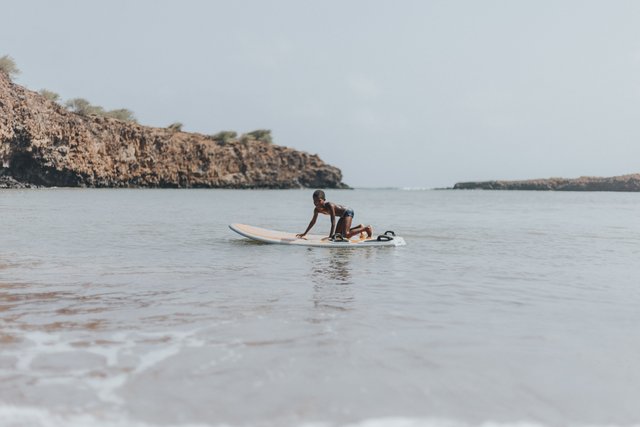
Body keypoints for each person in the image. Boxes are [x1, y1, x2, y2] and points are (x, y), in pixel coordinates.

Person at [296, 190, 373, 240]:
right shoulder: (316, 210)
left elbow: (333, 222)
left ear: (324, 200)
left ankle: (366, 228)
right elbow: (312, 222)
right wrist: (304, 233)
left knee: (345, 235)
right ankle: (359, 227)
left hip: (347, 212)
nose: (316, 203)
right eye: (314, 201)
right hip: (342, 216)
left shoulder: (330, 205)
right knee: (338, 235)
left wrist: (330, 236)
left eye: (319, 201)